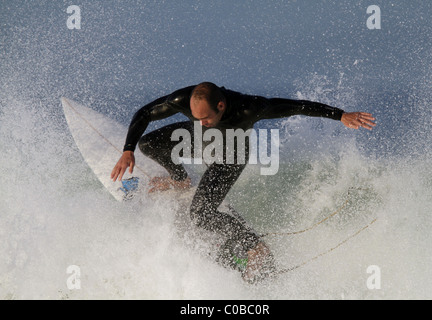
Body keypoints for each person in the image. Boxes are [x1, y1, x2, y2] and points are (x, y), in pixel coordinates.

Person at [110, 82, 376, 282]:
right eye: (195, 116)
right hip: (203, 141)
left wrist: (340, 115)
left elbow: (295, 107)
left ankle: (256, 247)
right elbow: (145, 113)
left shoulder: (249, 107)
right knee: (148, 144)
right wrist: (128, 149)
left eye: (205, 117)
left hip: (231, 155)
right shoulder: (186, 101)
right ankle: (179, 179)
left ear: (221, 106)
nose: (200, 121)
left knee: (201, 214)